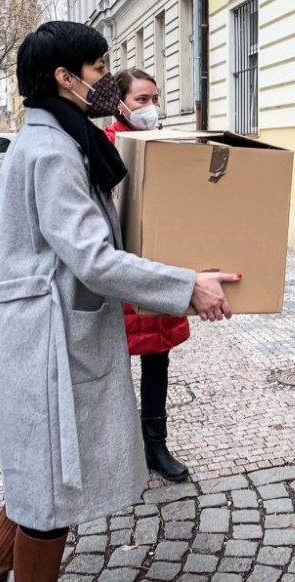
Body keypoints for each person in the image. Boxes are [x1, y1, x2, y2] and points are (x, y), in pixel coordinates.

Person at [0, 21, 238, 582]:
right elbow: (93, 257)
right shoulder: (52, 150)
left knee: (42, 476)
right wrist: (187, 285)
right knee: (49, 496)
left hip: (49, 330)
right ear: (65, 78)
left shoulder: (56, 138)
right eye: (97, 68)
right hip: (45, 341)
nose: (106, 80)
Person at [103, 68, 192, 482]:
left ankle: (156, 445)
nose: (151, 108)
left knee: (158, 361)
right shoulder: (102, 144)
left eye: (155, 98)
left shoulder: (165, 143)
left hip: (159, 269)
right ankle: (119, 451)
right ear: (121, 103)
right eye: (141, 99)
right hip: (118, 273)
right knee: (111, 365)